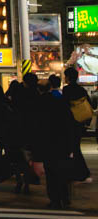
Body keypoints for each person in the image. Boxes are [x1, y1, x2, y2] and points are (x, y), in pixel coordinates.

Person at [37, 74, 77, 209]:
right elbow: (69, 125)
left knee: (51, 174)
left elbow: (39, 127)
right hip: (63, 143)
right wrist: (71, 146)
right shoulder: (62, 102)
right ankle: (65, 198)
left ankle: (54, 200)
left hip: (48, 144)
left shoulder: (41, 104)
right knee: (62, 173)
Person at [63, 67, 93, 183]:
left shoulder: (66, 90)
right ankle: (79, 172)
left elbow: (64, 107)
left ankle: (82, 173)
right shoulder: (81, 90)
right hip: (80, 123)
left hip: (70, 123)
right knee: (75, 148)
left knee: (73, 149)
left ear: (68, 77)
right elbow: (89, 105)